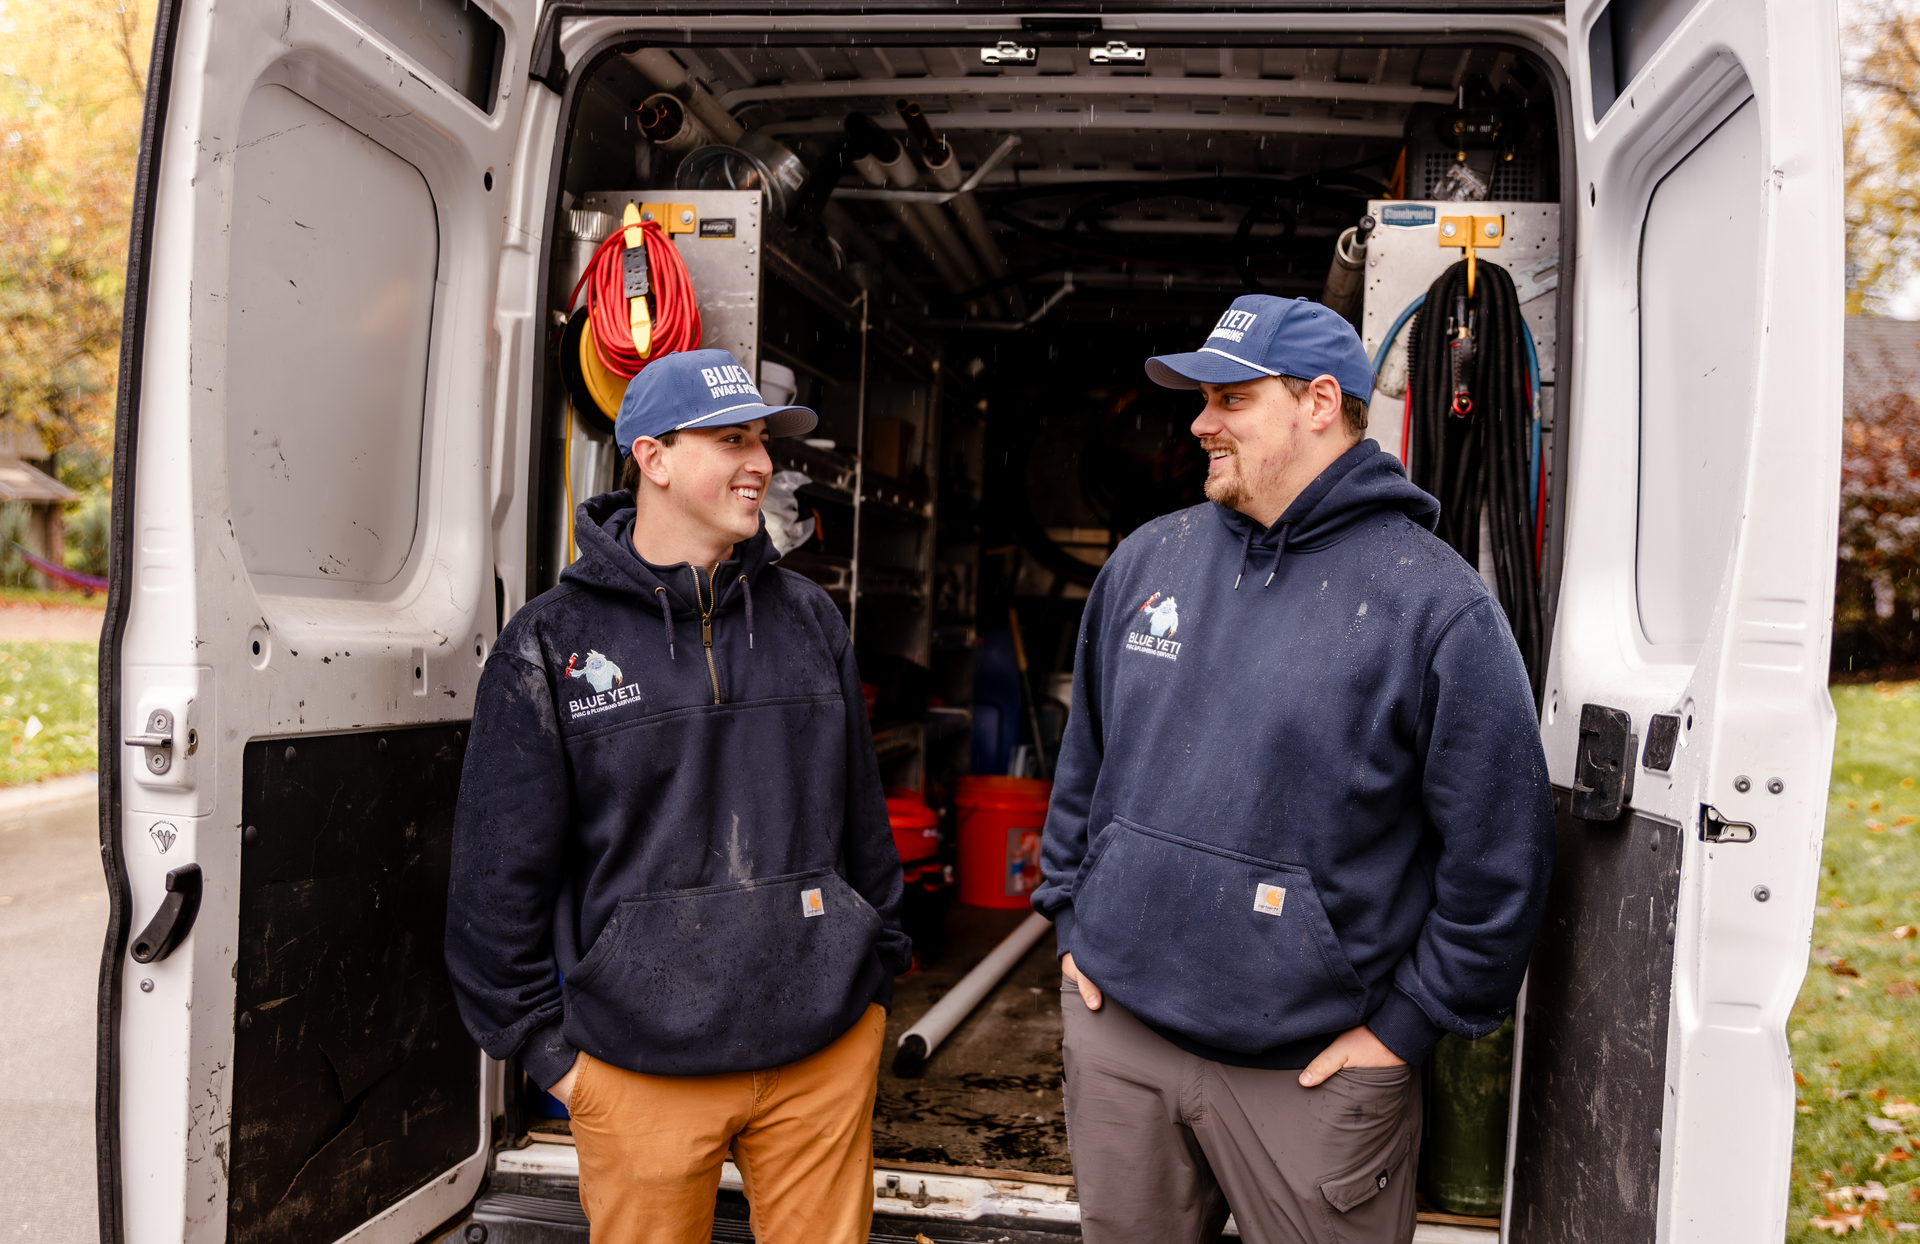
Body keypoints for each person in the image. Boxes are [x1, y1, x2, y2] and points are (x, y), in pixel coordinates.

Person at [1033, 295, 1554, 1244]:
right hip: (1121, 1040)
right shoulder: (1150, 559)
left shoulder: (1435, 606)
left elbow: (1498, 859)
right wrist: (1072, 921)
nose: (1200, 422)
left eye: (1230, 398)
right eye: (1202, 400)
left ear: (1320, 403)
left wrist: (1408, 1029)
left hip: (1312, 1078)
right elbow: (1085, 767)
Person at [445, 349, 912, 1244]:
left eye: (765, 442)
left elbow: (861, 818)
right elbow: (496, 878)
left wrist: (873, 985)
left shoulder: (811, 620)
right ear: (653, 458)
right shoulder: (554, 643)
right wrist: (550, 1055)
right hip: (637, 1071)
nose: (763, 464)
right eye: (732, 440)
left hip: (821, 1057)